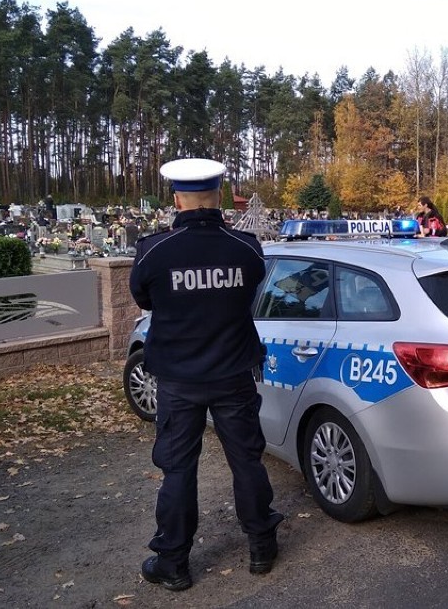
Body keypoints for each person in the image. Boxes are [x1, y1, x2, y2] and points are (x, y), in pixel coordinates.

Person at [129, 158, 283, 592]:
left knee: (178, 469)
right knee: (246, 459)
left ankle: (174, 563)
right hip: (234, 374)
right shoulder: (245, 247)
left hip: (179, 379)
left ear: (176, 198)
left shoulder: (155, 249)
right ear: (218, 196)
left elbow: (144, 296)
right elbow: (252, 286)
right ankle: (261, 546)